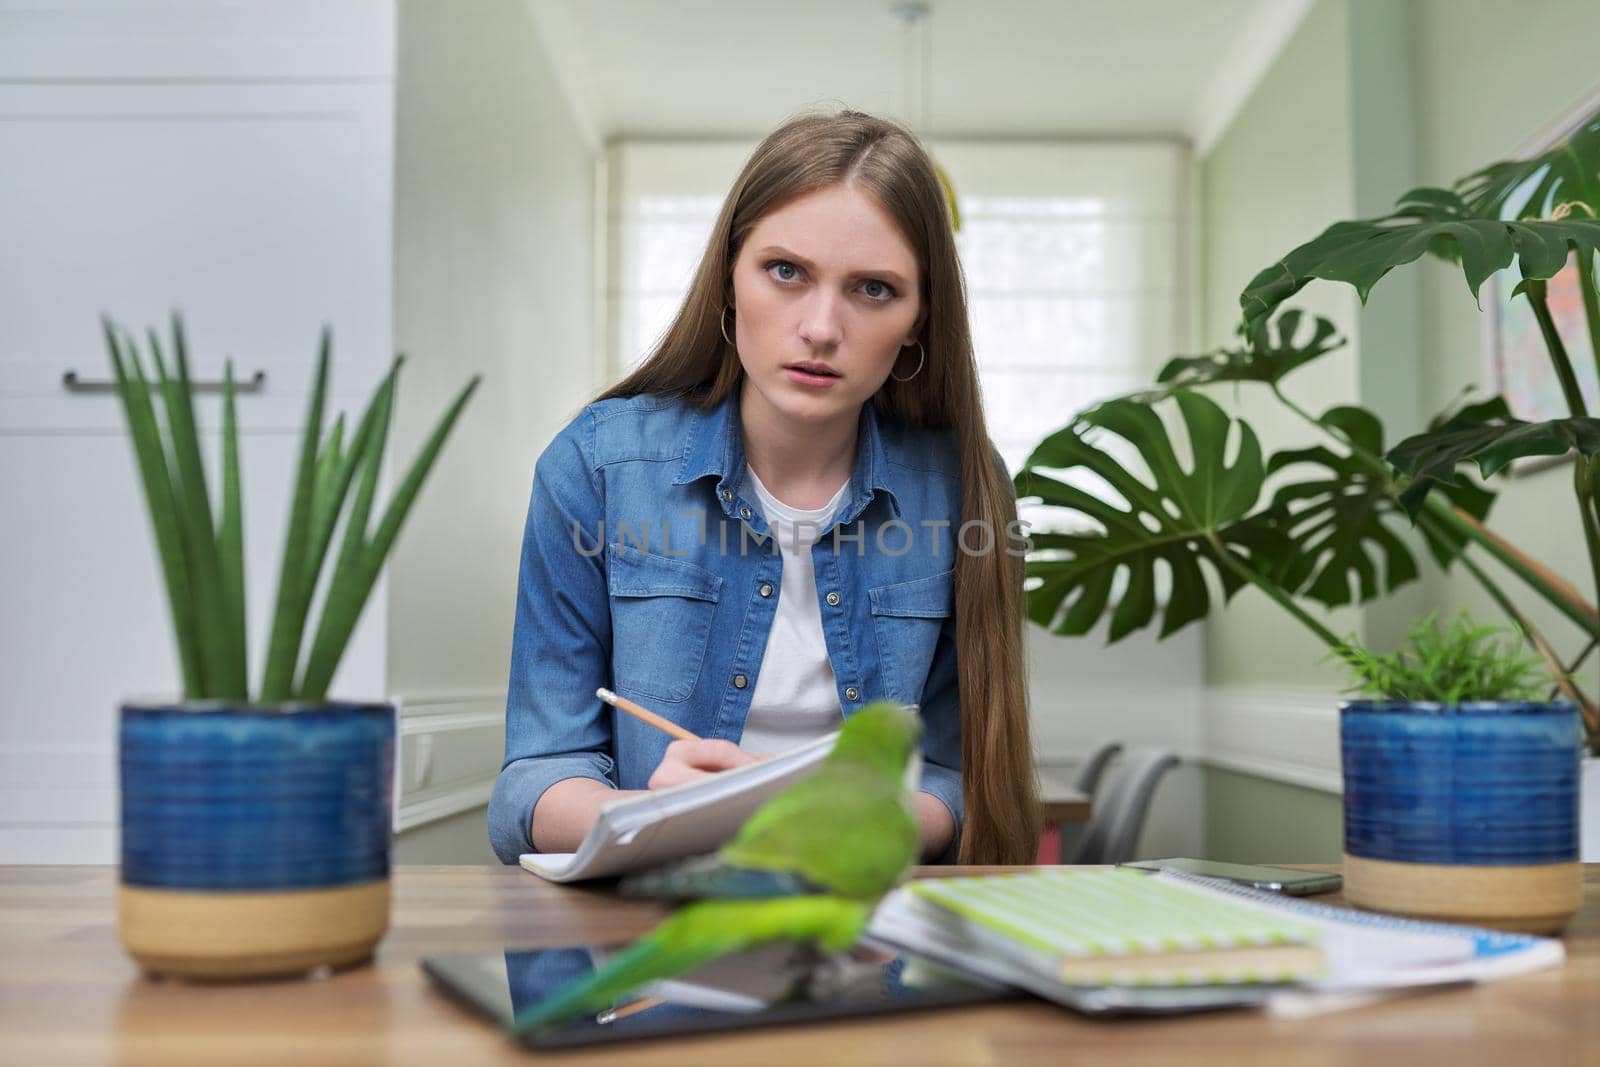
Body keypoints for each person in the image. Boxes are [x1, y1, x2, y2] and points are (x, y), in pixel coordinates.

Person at [487, 108, 1040, 867]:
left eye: (873, 289)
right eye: (786, 271)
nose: (820, 327)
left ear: (919, 321)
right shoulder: (595, 468)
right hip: (652, 930)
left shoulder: (965, 489)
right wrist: (663, 817)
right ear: (729, 275)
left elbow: (961, 779)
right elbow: (536, 778)